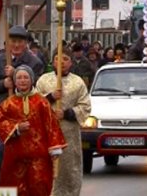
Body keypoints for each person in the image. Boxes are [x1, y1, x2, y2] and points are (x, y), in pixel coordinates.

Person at [0, 25, 44, 185]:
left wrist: (16, 74)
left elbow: (37, 86)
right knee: (2, 152)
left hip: (26, 114)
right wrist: (3, 83)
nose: (16, 45)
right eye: (13, 41)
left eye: (20, 41)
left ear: (26, 43)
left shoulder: (35, 62)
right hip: (3, 113)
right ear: (8, 43)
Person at [0, 65, 67, 196]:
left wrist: (54, 148)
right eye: (19, 78)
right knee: (15, 189)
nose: (23, 80)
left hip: (39, 157)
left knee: (39, 187)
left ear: (31, 80)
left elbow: (52, 125)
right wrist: (16, 128)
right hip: (15, 157)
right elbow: (0, 121)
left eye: (26, 77)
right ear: (15, 81)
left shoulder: (42, 102)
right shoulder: (7, 104)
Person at [36, 48, 91, 196]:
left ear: (71, 62)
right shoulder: (43, 80)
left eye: (65, 59)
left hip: (69, 135)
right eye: (57, 58)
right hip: (47, 134)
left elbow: (85, 107)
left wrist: (67, 113)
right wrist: (51, 97)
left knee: (68, 170)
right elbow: (34, 103)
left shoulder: (77, 82)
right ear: (53, 61)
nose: (61, 62)